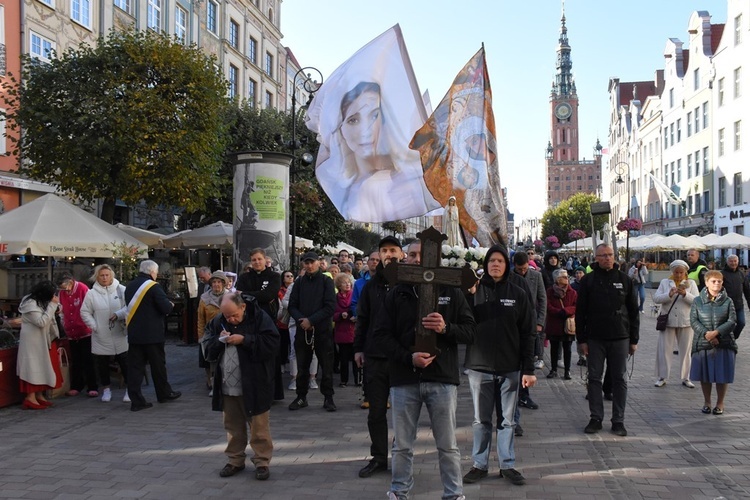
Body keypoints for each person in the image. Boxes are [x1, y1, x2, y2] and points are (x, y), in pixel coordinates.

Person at [373, 240, 476, 500]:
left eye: (422, 254)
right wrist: (409, 357)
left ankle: (453, 494)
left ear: (436, 258)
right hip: (405, 378)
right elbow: (382, 335)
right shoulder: (397, 292)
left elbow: (470, 331)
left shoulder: (451, 289)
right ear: (405, 260)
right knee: (402, 445)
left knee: (447, 444)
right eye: (412, 255)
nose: (417, 259)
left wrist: (446, 328)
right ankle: (399, 491)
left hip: (441, 377)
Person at [463, 244, 535, 487]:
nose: (495, 264)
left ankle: (507, 465)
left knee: (507, 421)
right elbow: (460, 320)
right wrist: (466, 295)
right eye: (491, 260)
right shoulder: (474, 290)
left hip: (509, 367)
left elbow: (527, 333)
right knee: (481, 420)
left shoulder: (518, 293)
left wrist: (529, 369)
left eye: (500, 261)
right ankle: (479, 464)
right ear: (485, 264)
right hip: (479, 366)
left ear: (506, 265)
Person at [317, 81, 436, 222]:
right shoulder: (347, 188)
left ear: (384, 122)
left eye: (374, 116)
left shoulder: (410, 175)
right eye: (353, 120)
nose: (365, 130)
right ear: (341, 130)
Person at [202, 293, 280, 480]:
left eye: (234, 315)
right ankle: (235, 459)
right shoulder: (219, 320)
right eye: (227, 316)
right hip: (228, 384)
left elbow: (272, 344)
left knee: (259, 427)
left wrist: (245, 339)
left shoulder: (259, 317)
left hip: (255, 383)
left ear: (243, 307)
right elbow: (206, 347)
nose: (230, 319)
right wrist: (218, 341)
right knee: (232, 426)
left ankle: (262, 461)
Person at [576, 244, 639, 437]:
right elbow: (580, 313)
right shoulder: (588, 280)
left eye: (610, 255)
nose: (607, 258)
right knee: (594, 377)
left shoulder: (625, 280)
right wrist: (582, 339)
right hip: (595, 337)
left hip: (620, 336)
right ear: (596, 257)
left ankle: (618, 420)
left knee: (619, 378)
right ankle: (596, 418)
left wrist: (634, 339)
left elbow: (634, 312)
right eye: (603, 255)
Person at [354, 237, 401, 478]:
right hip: (374, 356)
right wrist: (358, 348)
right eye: (385, 251)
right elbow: (362, 318)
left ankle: (402, 456)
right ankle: (379, 457)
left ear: (401, 254)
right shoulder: (371, 286)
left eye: (393, 250)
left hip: (402, 356)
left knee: (403, 412)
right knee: (376, 412)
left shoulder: (408, 281)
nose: (389, 254)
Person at [125, 260, 181, 412]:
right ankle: (163, 394)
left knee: (136, 368)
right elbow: (165, 308)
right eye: (156, 272)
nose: (156, 275)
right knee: (158, 366)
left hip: (135, 334)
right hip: (152, 335)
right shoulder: (153, 286)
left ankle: (136, 401)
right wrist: (171, 305)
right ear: (151, 272)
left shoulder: (129, 286)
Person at [287, 251, 337, 412]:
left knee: (326, 365)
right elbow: (292, 305)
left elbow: (330, 306)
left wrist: (312, 320)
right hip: (303, 330)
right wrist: (302, 320)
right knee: (302, 365)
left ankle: (328, 398)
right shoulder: (300, 282)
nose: (308, 265)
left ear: (318, 263)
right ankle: (301, 397)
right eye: (306, 263)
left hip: (322, 330)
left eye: (311, 262)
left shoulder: (326, 281)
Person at [235, 248, 283, 400]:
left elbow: (268, 295)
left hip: (267, 321)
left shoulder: (274, 276)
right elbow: (239, 296)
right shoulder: (244, 277)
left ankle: (272, 393)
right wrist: (253, 296)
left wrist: (248, 294)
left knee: (269, 357)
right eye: (254, 260)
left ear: (265, 260)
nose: (256, 262)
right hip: (248, 321)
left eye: (259, 259)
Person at [689, 270, 737, 415]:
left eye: (719, 281)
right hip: (703, 342)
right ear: (706, 282)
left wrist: (716, 333)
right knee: (706, 375)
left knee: (722, 376)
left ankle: (720, 403)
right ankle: (707, 402)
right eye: (713, 281)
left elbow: (732, 320)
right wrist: (707, 334)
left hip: (724, 342)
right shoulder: (697, 300)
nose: (717, 284)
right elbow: (693, 320)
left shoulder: (728, 301)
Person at [80, 264, 129, 403]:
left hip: (119, 332)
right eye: (102, 275)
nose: (105, 278)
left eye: (107, 275)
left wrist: (118, 314)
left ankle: (130, 389)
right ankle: (106, 390)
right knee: (102, 363)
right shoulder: (91, 293)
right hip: (101, 333)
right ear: (97, 277)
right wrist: (94, 326)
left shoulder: (121, 290)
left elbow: (129, 307)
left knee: (125, 361)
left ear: (112, 275)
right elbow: (85, 312)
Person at [653, 260, 698, 388]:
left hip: (686, 321)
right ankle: (662, 376)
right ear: (672, 272)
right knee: (664, 350)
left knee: (686, 350)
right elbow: (656, 298)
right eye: (676, 272)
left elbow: (697, 301)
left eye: (681, 273)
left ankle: (686, 377)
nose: (678, 275)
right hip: (668, 321)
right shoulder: (665, 282)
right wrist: (669, 294)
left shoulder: (691, 283)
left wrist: (685, 294)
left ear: (685, 272)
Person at [16, 280, 61, 410]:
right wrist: (53, 306)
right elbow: (41, 321)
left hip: (42, 339)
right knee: (32, 367)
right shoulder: (29, 304)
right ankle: (30, 397)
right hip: (32, 341)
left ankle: (39, 395)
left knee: (42, 366)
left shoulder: (40, 300)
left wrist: (56, 307)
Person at [56, 272, 97, 397]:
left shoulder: (83, 289)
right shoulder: (62, 293)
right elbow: (62, 310)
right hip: (71, 331)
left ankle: (92, 386)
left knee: (88, 359)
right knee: (76, 359)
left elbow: (90, 308)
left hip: (85, 330)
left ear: (71, 281)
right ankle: (76, 386)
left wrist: (90, 325)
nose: (64, 290)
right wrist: (64, 323)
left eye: (64, 286)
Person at [197, 271, 231, 396]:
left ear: (223, 284)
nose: (216, 285)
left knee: (226, 358)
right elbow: (200, 318)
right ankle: (213, 384)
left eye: (219, 282)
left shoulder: (230, 296)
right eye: (214, 282)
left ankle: (227, 383)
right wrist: (201, 336)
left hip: (226, 331)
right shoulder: (204, 298)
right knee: (211, 359)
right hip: (210, 332)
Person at [545, 269, 577, 380]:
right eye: (564, 277)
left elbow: (576, 306)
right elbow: (547, 306)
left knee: (567, 348)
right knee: (554, 348)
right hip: (554, 323)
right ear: (557, 279)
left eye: (567, 276)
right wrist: (558, 312)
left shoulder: (572, 292)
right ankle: (553, 369)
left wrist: (566, 311)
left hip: (567, 325)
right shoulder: (550, 291)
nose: (566, 278)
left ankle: (567, 371)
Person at [333, 273, 359, 387]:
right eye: (344, 282)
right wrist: (339, 315)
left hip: (354, 330)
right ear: (339, 285)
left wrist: (356, 317)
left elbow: (360, 308)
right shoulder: (335, 298)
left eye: (349, 282)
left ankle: (358, 380)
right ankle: (344, 380)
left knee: (356, 358)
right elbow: (331, 314)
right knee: (343, 359)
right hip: (341, 331)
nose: (348, 284)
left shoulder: (354, 295)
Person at [721, 255, 750, 339]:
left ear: (738, 262)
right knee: (728, 325)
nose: (733, 263)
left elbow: (747, 290)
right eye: (731, 261)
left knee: (741, 323)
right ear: (727, 262)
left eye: (735, 261)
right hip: (726, 305)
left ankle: (732, 339)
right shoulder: (722, 274)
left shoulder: (741, 274)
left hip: (739, 305)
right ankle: (726, 341)